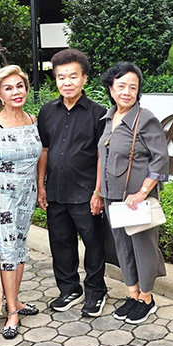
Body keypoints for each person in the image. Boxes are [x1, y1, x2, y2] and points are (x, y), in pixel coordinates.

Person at [37, 49, 108, 317]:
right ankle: (69, 290)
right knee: (60, 243)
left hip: (85, 193)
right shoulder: (47, 111)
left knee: (93, 244)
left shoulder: (98, 113)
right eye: (61, 77)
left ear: (84, 78)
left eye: (73, 76)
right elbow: (44, 150)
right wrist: (41, 186)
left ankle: (96, 292)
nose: (67, 82)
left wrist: (98, 191)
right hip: (55, 191)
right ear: (55, 80)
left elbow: (102, 155)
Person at [98, 62, 169, 324]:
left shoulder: (145, 119)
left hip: (136, 198)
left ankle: (147, 298)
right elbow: (103, 156)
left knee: (142, 247)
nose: (126, 92)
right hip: (112, 196)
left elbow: (160, 160)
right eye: (121, 86)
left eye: (133, 87)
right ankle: (132, 294)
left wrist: (142, 193)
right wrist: (99, 192)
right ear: (111, 89)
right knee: (122, 246)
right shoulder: (108, 118)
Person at [0, 65, 41, 339]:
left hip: (27, 195)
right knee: (6, 251)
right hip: (1, 197)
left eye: (20, 86)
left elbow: (40, 156)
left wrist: (40, 188)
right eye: (9, 88)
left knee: (20, 248)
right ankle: (12, 311)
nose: (16, 92)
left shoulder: (32, 120)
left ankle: (14, 299)